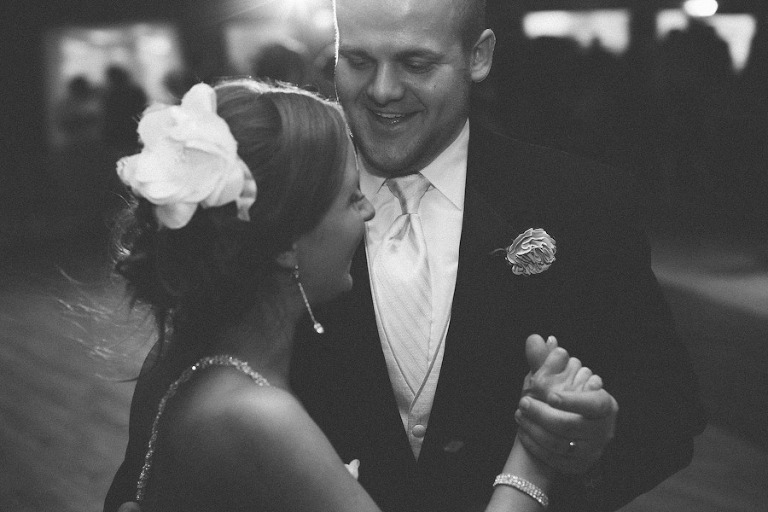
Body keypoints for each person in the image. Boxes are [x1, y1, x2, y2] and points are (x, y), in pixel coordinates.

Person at [103, 79, 611, 512]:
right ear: (285, 244)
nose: (369, 211)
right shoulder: (258, 417)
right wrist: (534, 457)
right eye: (350, 197)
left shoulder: (184, 364)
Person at [287, 0, 707, 511]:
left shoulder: (583, 202)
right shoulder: (285, 203)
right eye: (357, 61)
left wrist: (589, 447)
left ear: (479, 56)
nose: (382, 90)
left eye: (416, 63)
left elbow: (669, 411)